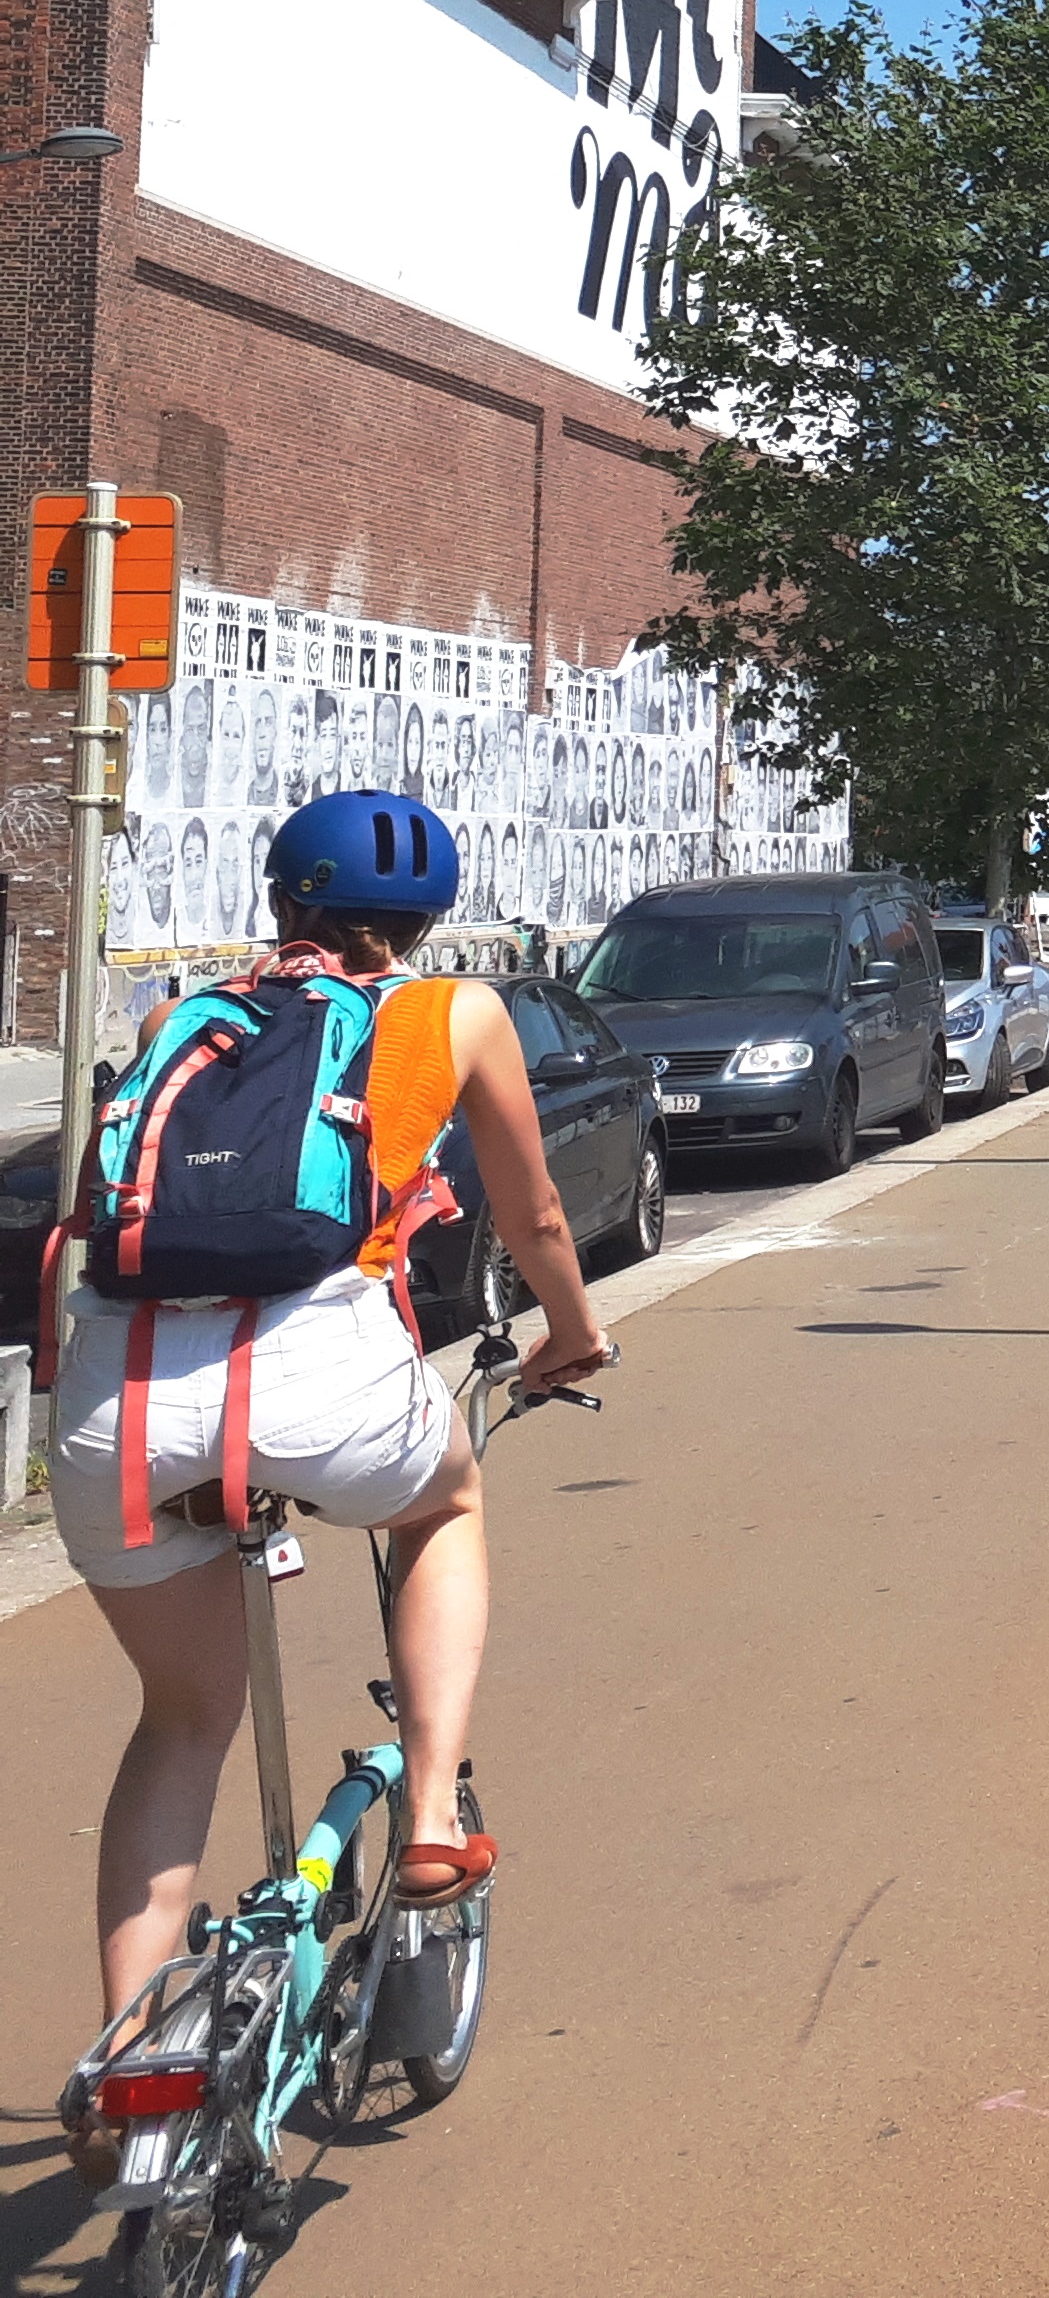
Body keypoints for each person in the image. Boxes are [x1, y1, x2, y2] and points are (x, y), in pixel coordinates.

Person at [48, 788, 614, 2177]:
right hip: (319, 1370)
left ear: (281, 903)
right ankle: (427, 1815)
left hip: (117, 1402)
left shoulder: (182, 1017)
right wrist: (573, 1332)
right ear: (420, 922)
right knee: (445, 1501)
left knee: (182, 1720)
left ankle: (135, 2051)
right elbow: (532, 1214)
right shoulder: (452, 1012)